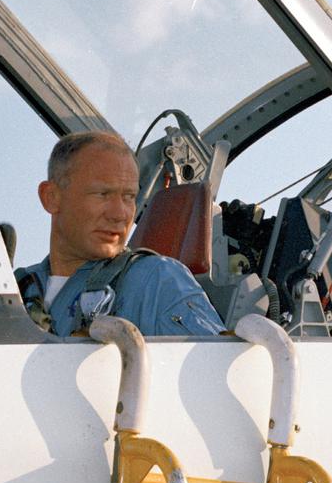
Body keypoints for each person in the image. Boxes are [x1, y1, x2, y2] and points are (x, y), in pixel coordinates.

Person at [15, 131, 224, 337]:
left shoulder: (156, 282)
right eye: (102, 194)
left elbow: (210, 365)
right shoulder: (15, 290)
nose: (119, 214)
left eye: (129, 196)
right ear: (51, 197)